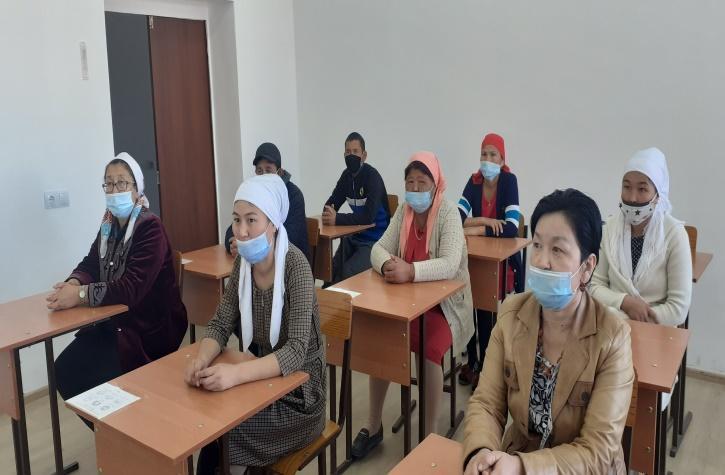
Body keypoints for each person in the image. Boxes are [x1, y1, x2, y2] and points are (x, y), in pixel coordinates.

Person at [463, 189, 634, 475]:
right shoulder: (511, 314)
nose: (542, 260)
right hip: (515, 460)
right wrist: (480, 454)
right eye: (538, 245)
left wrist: (522, 467)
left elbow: (598, 451)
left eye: (557, 250)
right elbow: (486, 404)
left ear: (587, 267)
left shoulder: (612, 337)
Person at [186, 174, 325, 473]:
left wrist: (235, 375)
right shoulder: (243, 264)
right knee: (210, 429)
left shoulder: (296, 266)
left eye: (252, 220)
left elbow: (295, 352)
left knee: (225, 436)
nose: (242, 231)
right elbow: (221, 322)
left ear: (273, 223)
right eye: (236, 220)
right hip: (259, 384)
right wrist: (201, 359)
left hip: (299, 400)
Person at [48, 153, 187, 426]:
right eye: (109, 184)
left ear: (137, 189)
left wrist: (79, 296)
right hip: (115, 323)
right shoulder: (108, 225)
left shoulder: (150, 227)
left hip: (148, 329)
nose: (114, 190)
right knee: (64, 369)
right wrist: (73, 283)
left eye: (122, 183)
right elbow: (91, 263)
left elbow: (131, 288)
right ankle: (112, 435)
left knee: (95, 374)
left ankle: (130, 434)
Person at [350, 152, 474, 459]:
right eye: (410, 183)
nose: (415, 189)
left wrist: (411, 271)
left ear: (435, 184)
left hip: (445, 306)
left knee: (429, 348)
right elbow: (378, 248)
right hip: (407, 303)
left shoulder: (448, 214)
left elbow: (449, 264)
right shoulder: (403, 211)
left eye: (422, 182)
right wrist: (387, 265)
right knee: (383, 339)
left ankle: (429, 434)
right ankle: (373, 424)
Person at [591, 147, 692, 327]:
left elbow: (678, 310)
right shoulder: (609, 229)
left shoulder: (674, 234)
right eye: (626, 187)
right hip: (611, 330)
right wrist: (625, 302)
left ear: (658, 194)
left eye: (642, 189)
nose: (632, 198)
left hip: (658, 332)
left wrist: (623, 318)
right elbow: (594, 287)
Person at [457, 133, 523, 389]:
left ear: (502, 159)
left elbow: (511, 227)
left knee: (484, 306)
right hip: (475, 256)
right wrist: (485, 221)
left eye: (493, 154)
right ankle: (473, 361)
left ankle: (485, 366)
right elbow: (457, 219)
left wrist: (473, 228)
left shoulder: (509, 181)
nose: (487, 159)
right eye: (484, 154)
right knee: (466, 301)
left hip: (502, 262)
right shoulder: (473, 181)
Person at [224, 142, 310, 262]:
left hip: (291, 261)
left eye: (268, 171)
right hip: (260, 260)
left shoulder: (294, 195)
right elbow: (233, 228)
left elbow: (290, 237)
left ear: (280, 172)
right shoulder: (255, 194)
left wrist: (248, 246)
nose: (264, 176)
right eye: (259, 171)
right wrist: (235, 244)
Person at [323, 132, 390, 283]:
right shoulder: (346, 176)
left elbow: (368, 217)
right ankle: (326, 298)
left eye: (355, 151)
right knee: (331, 269)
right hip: (355, 236)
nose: (351, 155)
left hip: (376, 240)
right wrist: (329, 212)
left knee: (347, 273)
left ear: (364, 155)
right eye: (348, 152)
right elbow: (331, 203)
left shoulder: (372, 177)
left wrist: (337, 218)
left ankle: (341, 298)